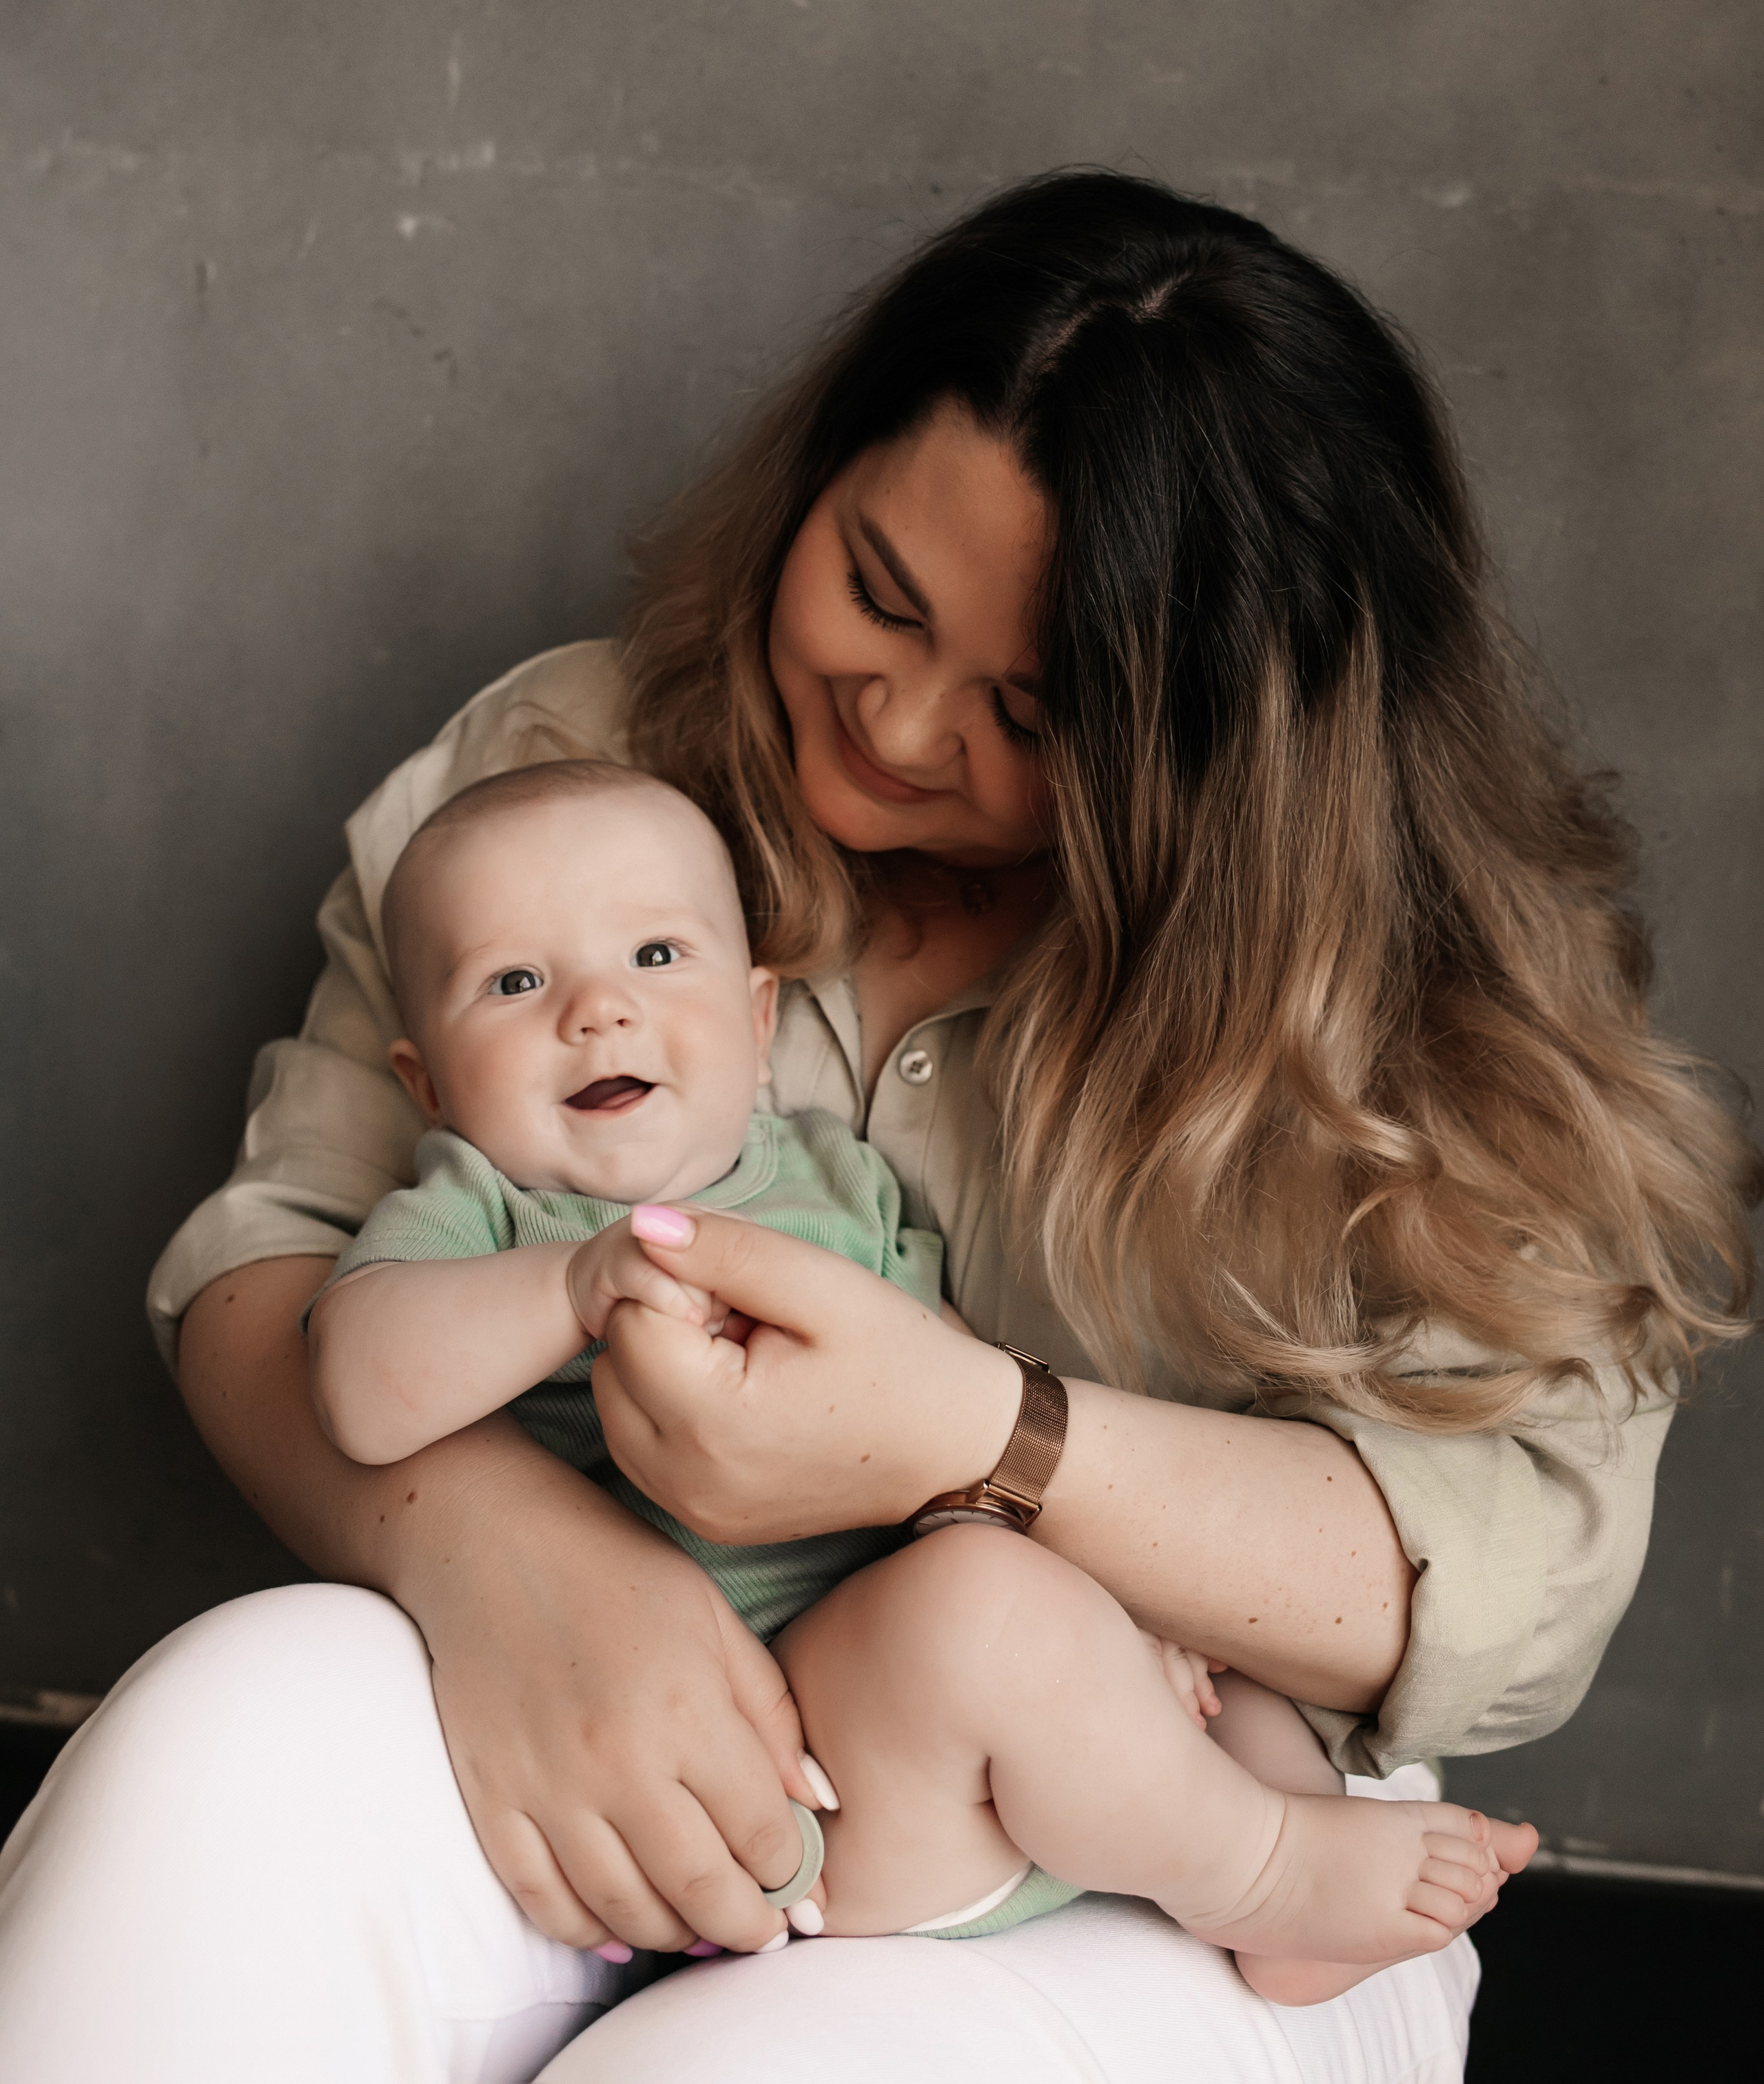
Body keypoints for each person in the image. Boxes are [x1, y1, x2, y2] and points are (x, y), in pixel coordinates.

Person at [0, 174, 1749, 2084]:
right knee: (215, 1754)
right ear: (815, 478)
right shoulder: (576, 784)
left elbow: (1492, 1565)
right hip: (597, 1704)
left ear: (1227, 759)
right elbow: (279, 1253)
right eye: (875, 592)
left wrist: (980, 1439)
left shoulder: (1417, 996)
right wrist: (505, 1550)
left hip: (1157, 1834)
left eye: (1029, 702)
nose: (904, 729)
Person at [307, 757, 1533, 1996]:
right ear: (427, 1082)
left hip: (949, 1709)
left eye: (657, 956)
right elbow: (358, 1386)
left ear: (753, 1014)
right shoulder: (486, 1214)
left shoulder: (838, 1181)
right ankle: (1256, 1869)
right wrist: (569, 1285)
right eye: (516, 981)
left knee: (1199, 1639)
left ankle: (1283, 1849)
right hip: (785, 1786)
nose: (596, 1010)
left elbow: (968, 1399)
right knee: (984, 1612)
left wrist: (1122, 1615)